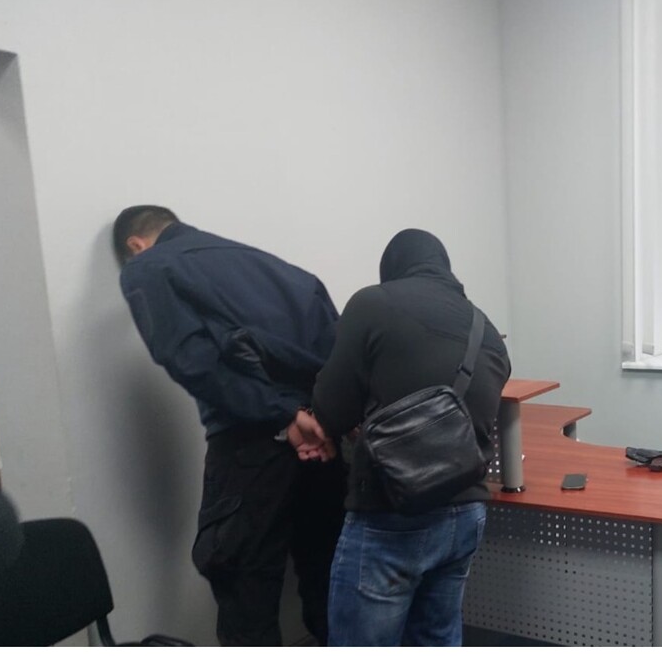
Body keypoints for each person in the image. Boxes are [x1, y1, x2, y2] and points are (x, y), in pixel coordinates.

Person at [113, 206, 347, 646]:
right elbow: (337, 349)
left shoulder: (148, 266)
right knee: (328, 579)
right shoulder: (281, 269)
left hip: (250, 448)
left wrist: (283, 413)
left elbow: (191, 360)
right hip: (323, 445)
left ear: (135, 245)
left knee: (246, 595)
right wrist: (322, 419)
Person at [302, 228, 511, 646]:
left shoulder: (372, 303)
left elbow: (331, 408)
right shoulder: (486, 329)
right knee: (437, 640)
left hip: (391, 514)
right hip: (466, 512)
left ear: (392, 269)